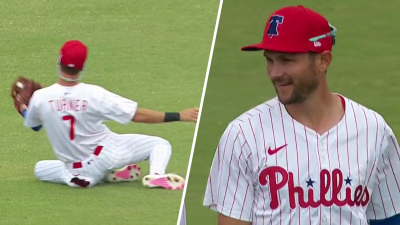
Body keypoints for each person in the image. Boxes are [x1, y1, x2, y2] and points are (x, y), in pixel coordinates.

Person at [203, 5, 400, 225]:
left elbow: (389, 218)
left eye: (287, 60)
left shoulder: (373, 129)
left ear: (323, 61)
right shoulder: (243, 135)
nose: (274, 73)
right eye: (270, 60)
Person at [19, 40, 198, 189]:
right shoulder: (94, 94)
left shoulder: (41, 98)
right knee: (159, 144)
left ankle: (96, 177)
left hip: (73, 170)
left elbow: (34, 124)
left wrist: (23, 108)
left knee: (39, 169)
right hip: (104, 155)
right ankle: (156, 174)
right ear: (83, 68)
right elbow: (137, 115)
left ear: (59, 61)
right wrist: (179, 115)